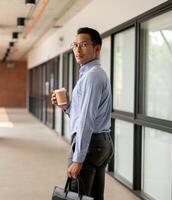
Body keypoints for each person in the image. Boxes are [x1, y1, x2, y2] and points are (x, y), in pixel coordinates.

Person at [51, 27, 113, 200]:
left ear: (97, 48)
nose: (78, 50)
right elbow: (82, 115)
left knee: (75, 195)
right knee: (93, 196)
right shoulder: (93, 75)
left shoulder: (92, 77)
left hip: (90, 144)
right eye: (75, 45)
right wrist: (67, 106)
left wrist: (78, 159)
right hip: (101, 142)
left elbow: (86, 120)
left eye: (84, 45)